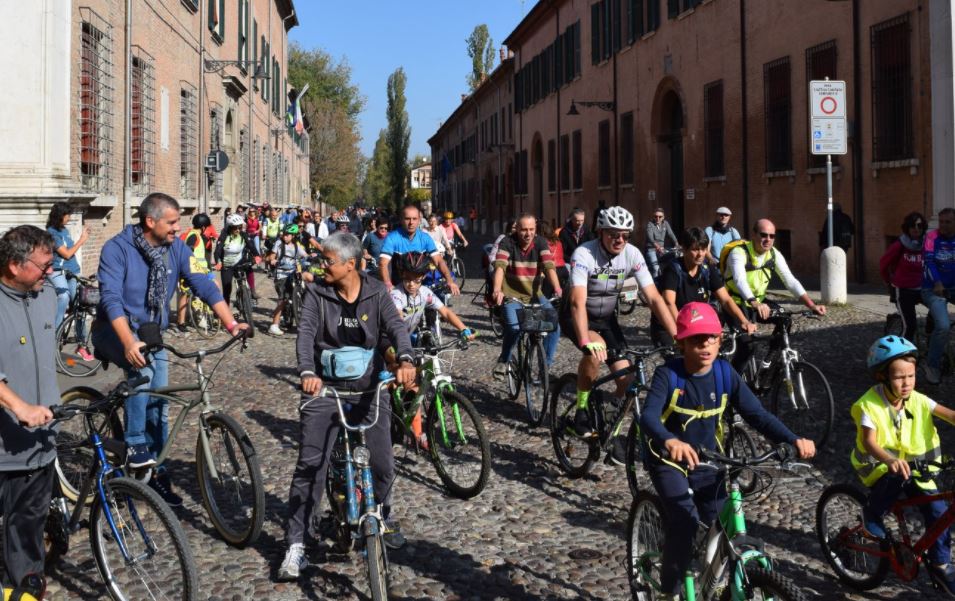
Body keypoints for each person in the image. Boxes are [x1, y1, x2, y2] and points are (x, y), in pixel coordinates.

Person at [640, 302, 815, 598]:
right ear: (680, 343)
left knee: (723, 523)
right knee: (683, 521)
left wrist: (792, 439)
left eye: (711, 337)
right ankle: (669, 591)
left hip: (709, 459)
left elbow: (757, 415)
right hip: (668, 459)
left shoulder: (724, 373)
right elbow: (648, 417)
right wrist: (670, 441)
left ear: (721, 340)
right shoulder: (667, 375)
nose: (705, 345)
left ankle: (716, 579)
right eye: (696, 339)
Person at [93, 193, 249, 506]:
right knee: (143, 370)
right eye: (173, 222)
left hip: (150, 333)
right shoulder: (117, 249)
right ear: (150, 221)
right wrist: (127, 341)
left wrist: (232, 324)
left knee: (160, 404)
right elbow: (111, 299)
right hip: (115, 330)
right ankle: (135, 446)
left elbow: (203, 283)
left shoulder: (175, 248)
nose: (179, 228)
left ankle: (157, 473)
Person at [278, 232, 416, 581]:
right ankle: (297, 543)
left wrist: (406, 359)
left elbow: (397, 328)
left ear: (350, 265)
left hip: (368, 389)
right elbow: (306, 333)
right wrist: (307, 372)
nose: (321, 266)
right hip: (324, 389)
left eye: (328, 261)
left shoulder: (376, 292)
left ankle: (380, 513)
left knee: (383, 464)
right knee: (311, 466)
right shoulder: (316, 292)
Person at [561, 206, 677, 449]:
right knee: (595, 350)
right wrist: (584, 339)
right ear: (600, 232)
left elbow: (655, 299)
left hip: (606, 318)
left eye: (625, 235)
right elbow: (577, 301)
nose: (620, 240)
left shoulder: (633, 255)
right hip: (578, 315)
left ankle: (608, 421)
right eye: (614, 234)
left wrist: (679, 337)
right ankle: (581, 409)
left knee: (628, 381)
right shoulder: (584, 253)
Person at [851, 335, 955, 595]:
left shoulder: (918, 399)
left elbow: (948, 414)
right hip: (881, 467)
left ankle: (941, 565)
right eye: (899, 377)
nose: (907, 382)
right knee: (895, 478)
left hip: (918, 469)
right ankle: (872, 514)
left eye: (911, 376)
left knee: (939, 512)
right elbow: (869, 440)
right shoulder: (869, 404)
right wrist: (889, 459)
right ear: (882, 377)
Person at [0, 226, 59, 591]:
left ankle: (21, 589)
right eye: (43, 265)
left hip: (40, 443)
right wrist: (18, 405)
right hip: (4, 446)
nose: (50, 271)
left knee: (28, 526)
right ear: (14, 265)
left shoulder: (47, 294)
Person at [387, 252, 475, 446]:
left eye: (416, 280)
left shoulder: (425, 293)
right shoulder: (396, 295)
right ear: (401, 276)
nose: (411, 284)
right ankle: (411, 429)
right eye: (407, 279)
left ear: (423, 278)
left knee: (416, 382)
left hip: (406, 340)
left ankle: (416, 428)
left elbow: (445, 311)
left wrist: (464, 329)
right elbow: (397, 319)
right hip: (388, 340)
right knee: (407, 381)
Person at [722, 218, 826, 371]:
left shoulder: (774, 254)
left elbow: (790, 281)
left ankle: (768, 361)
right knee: (747, 348)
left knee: (785, 320)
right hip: (735, 303)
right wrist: (755, 302)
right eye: (764, 235)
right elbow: (739, 280)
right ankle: (732, 385)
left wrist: (811, 305)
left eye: (772, 236)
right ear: (754, 235)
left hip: (759, 302)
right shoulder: (738, 253)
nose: (768, 240)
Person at [651, 227, 756, 348]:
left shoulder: (707, 269)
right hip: (669, 325)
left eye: (703, 249)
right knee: (679, 361)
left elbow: (725, 299)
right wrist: (682, 331)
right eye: (695, 249)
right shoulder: (673, 269)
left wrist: (744, 321)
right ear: (684, 249)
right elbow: (669, 302)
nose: (700, 254)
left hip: (694, 323)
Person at [491, 214, 562, 377]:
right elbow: (500, 266)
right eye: (524, 229)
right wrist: (497, 289)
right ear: (517, 229)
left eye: (531, 229)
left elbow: (549, 266)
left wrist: (558, 288)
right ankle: (504, 359)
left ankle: (545, 366)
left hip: (535, 295)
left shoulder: (540, 242)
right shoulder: (508, 242)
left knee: (554, 327)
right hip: (512, 295)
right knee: (514, 328)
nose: (528, 233)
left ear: (535, 229)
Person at [46, 201, 93, 360]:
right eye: (67, 215)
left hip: (73, 271)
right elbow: (66, 254)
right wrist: (82, 239)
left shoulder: (64, 230)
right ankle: (56, 336)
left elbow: (70, 256)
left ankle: (81, 345)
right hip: (58, 271)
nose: (69, 218)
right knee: (64, 296)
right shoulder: (51, 233)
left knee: (80, 305)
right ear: (60, 216)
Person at [379, 205, 460, 296]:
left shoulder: (425, 238)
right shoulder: (392, 237)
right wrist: (388, 284)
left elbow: (438, 261)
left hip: (419, 285)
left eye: (414, 219)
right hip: (398, 285)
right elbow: (383, 263)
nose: (411, 222)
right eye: (407, 219)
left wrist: (449, 281)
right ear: (401, 220)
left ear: (419, 220)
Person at [879, 212, 926, 343]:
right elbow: (883, 264)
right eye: (912, 225)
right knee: (910, 326)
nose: (916, 228)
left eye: (920, 225)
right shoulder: (899, 245)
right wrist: (889, 281)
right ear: (907, 227)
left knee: (938, 315)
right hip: (903, 290)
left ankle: (930, 341)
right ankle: (904, 357)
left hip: (922, 288)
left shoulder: (926, 245)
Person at [921, 208, 955, 385]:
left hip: (953, 287)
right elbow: (929, 262)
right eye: (941, 221)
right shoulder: (932, 237)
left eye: (948, 222)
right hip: (933, 289)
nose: (943, 225)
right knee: (943, 326)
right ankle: (932, 365)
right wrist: (937, 283)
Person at [175, 212, 218, 333]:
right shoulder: (194, 235)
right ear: (203, 227)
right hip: (191, 271)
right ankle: (181, 322)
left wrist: (208, 270)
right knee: (184, 295)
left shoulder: (192, 234)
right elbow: (189, 250)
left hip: (199, 271)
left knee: (188, 295)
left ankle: (190, 319)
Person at [266, 224, 312, 337]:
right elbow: (271, 256)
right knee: (283, 299)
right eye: (284, 234)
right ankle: (274, 325)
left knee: (306, 284)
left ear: (293, 236)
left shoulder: (296, 246)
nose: (285, 236)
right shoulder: (279, 243)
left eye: (287, 235)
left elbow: (305, 255)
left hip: (293, 273)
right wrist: (273, 261)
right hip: (281, 275)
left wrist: (311, 256)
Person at [213, 213, 261, 311]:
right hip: (227, 265)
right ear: (230, 227)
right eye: (235, 228)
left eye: (240, 227)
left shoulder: (243, 234)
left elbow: (251, 245)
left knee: (249, 268)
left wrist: (257, 255)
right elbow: (217, 250)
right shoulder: (224, 236)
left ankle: (251, 291)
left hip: (240, 262)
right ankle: (225, 310)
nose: (238, 230)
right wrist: (218, 262)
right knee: (227, 289)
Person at [645, 208, 680, 278]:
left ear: (663, 217)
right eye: (655, 216)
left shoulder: (665, 223)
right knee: (656, 268)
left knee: (671, 263)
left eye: (660, 217)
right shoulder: (650, 224)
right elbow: (650, 238)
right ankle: (655, 284)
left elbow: (671, 234)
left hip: (661, 249)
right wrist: (657, 247)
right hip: (651, 249)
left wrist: (676, 243)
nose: (657, 218)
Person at [540, 221, 567, 296]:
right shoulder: (558, 241)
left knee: (545, 297)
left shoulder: (542, 242)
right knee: (559, 298)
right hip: (563, 269)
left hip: (551, 271)